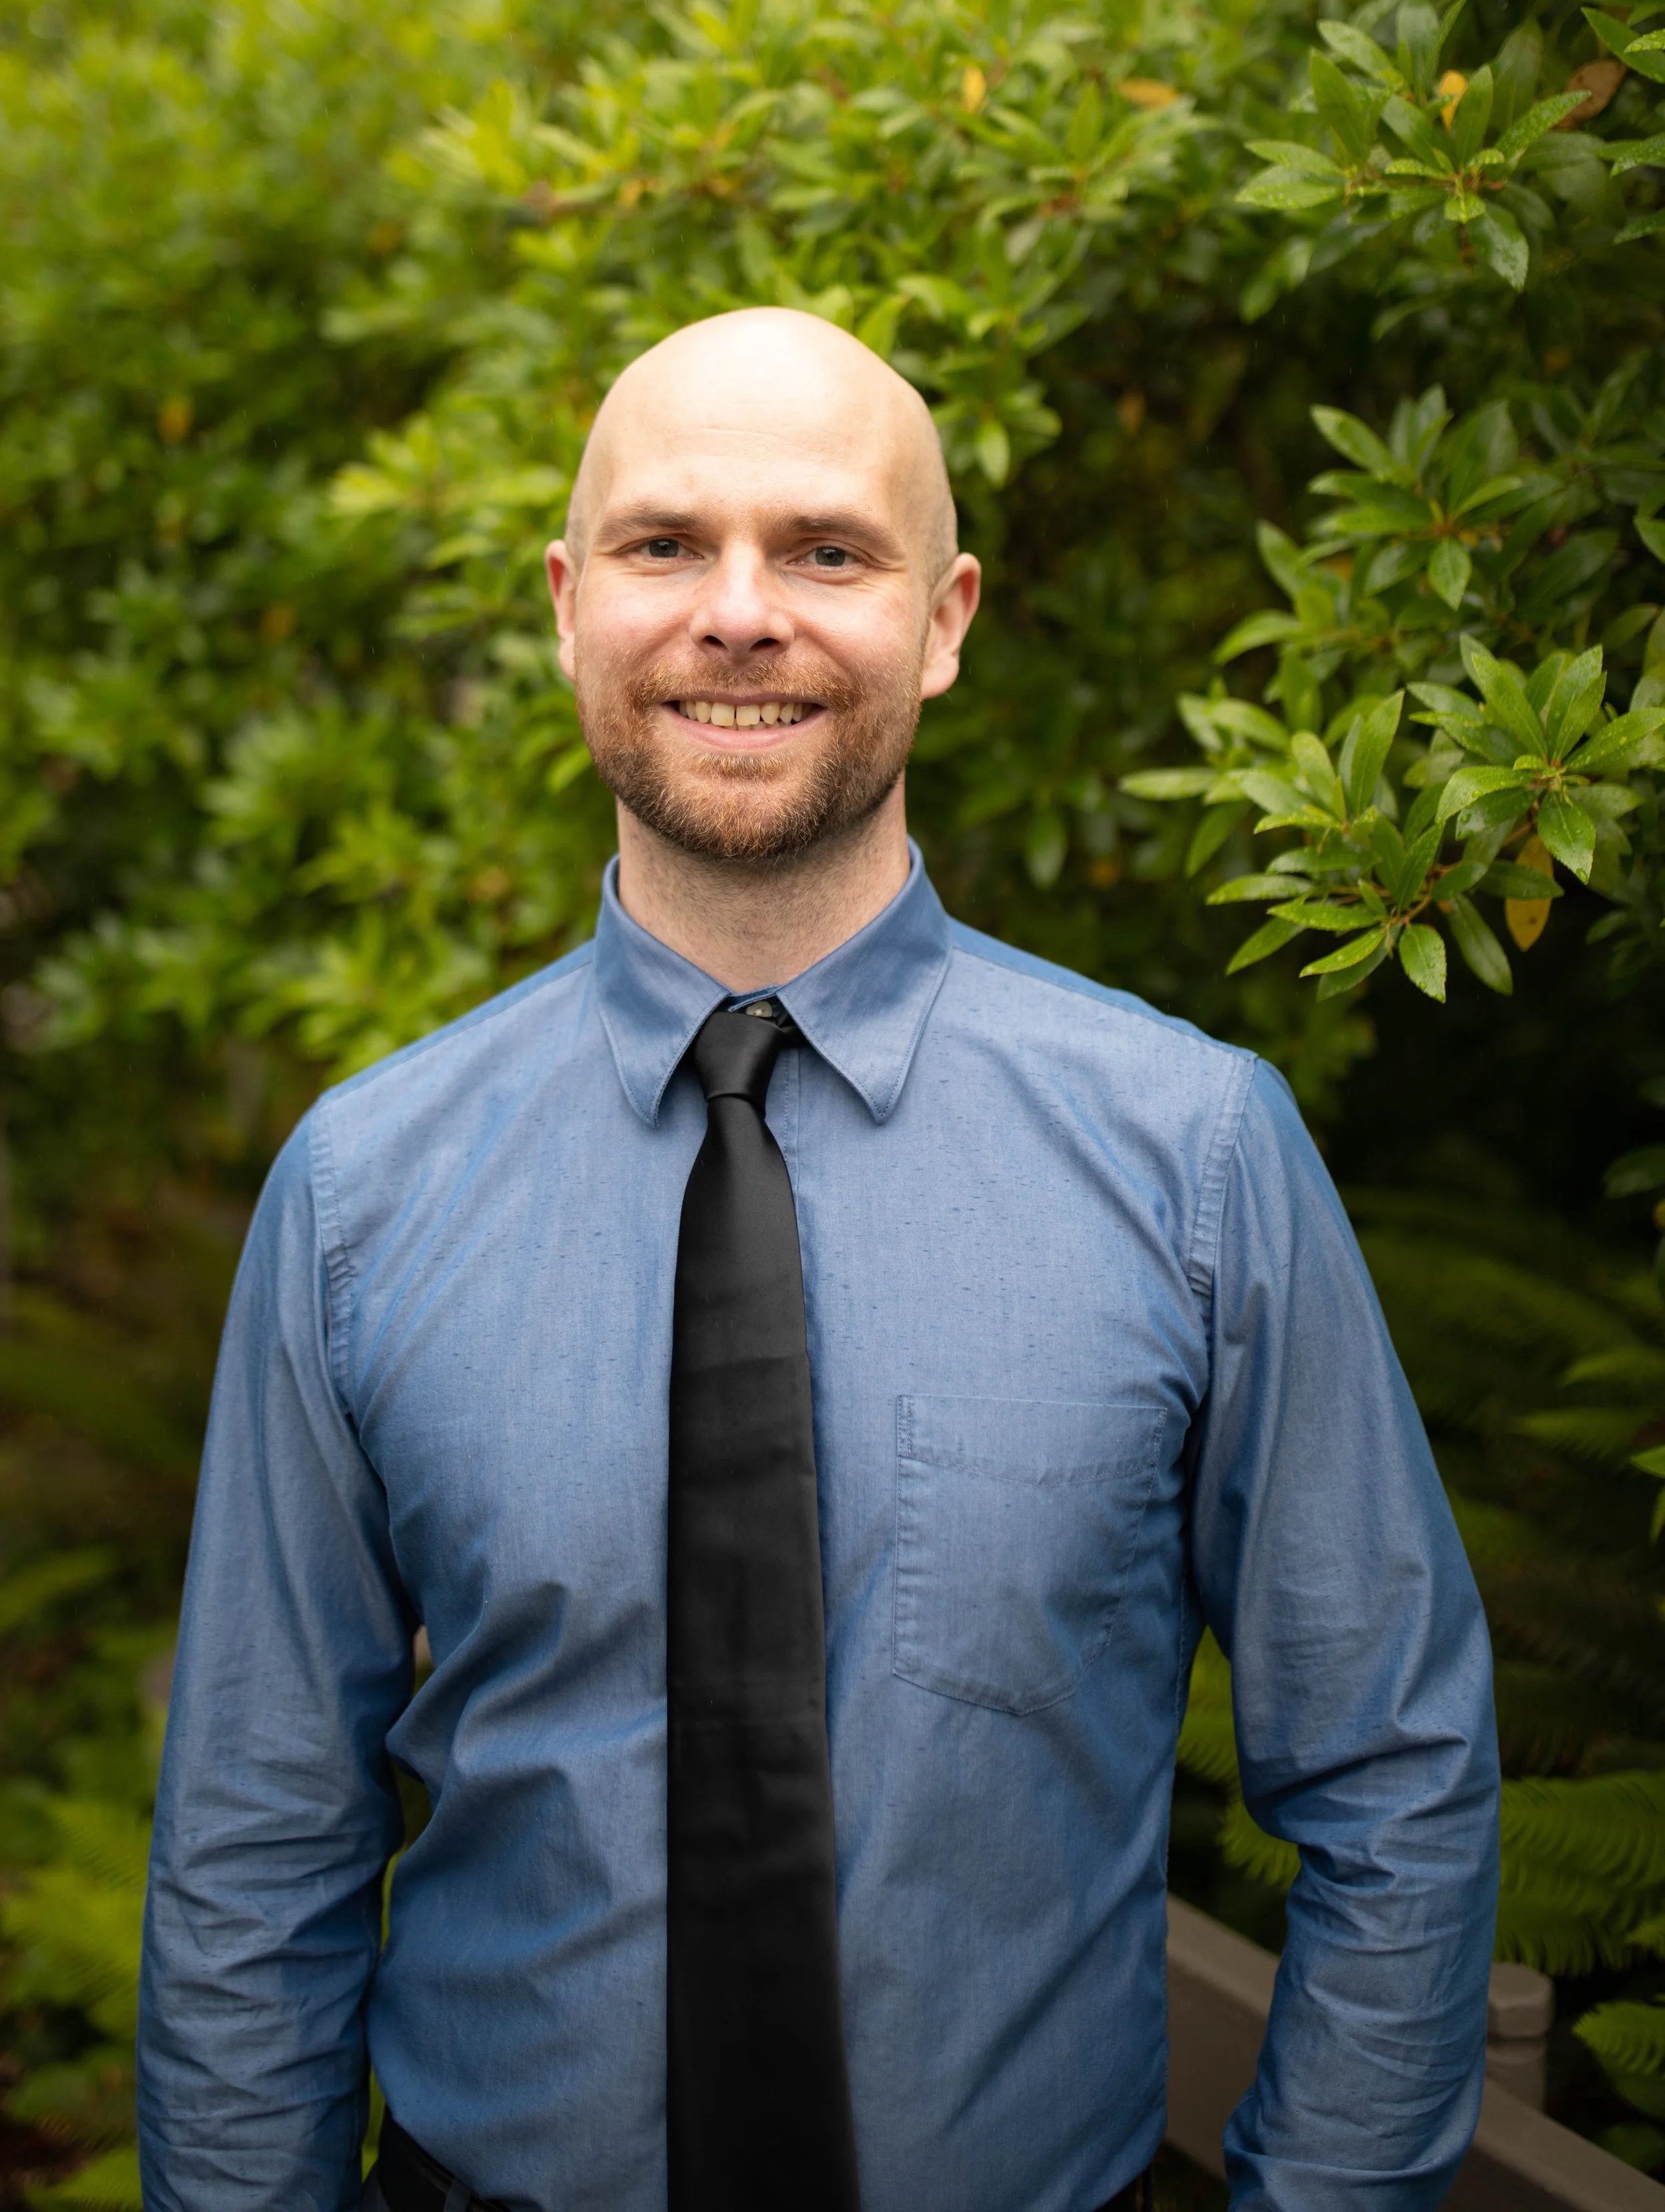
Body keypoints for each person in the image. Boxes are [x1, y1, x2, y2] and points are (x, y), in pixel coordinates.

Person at [137, 308, 1500, 2212]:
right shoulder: (363, 1188)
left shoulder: (1195, 1157)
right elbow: (255, 1843)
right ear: (565, 604)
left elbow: (1394, 1776)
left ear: (943, 620)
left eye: (825, 550)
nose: (739, 611)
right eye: (665, 544)